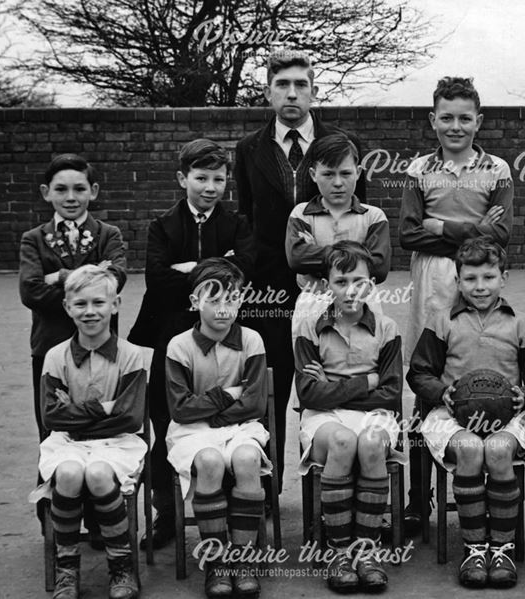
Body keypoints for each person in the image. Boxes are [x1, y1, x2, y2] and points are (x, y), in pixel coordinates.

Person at [235, 49, 366, 491]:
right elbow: (246, 218)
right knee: (270, 386)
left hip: (331, 288)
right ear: (268, 91)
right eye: (282, 85)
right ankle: (266, 491)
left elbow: (358, 212)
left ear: (313, 90)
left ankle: (331, 493)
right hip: (269, 289)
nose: (292, 94)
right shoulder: (249, 149)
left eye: (301, 85)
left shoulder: (341, 145)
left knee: (328, 380)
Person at [398, 76, 514, 529]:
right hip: (432, 280)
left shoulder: (498, 168)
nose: (455, 125)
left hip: (479, 276)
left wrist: (441, 227)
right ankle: (416, 496)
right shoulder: (419, 169)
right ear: (433, 120)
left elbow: (502, 236)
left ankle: (487, 471)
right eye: (446, 117)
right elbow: (407, 232)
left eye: (465, 118)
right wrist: (474, 226)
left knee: (477, 365)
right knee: (427, 376)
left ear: (478, 121)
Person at [128, 138, 255, 550]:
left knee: (231, 417)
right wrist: (218, 266)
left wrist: (192, 270)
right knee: (167, 417)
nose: (210, 187)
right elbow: (158, 281)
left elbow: (246, 270)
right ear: (183, 178)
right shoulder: (163, 226)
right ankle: (167, 512)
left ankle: (235, 501)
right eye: (201, 178)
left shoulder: (236, 224)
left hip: (223, 332)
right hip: (172, 334)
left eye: (218, 179)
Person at [407, 237, 525, 589]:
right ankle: (475, 548)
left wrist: (523, 396)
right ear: (458, 281)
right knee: (469, 449)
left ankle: (503, 548)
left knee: (496, 451)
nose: (480, 287)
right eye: (471, 279)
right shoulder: (441, 321)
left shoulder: (522, 324)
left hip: (506, 415)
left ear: (504, 277)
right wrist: (441, 392)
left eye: (489, 277)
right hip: (450, 413)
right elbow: (418, 373)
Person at [19, 153, 128, 534]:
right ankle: (55, 524)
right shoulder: (33, 239)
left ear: (93, 192)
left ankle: (103, 521)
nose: (71, 197)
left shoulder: (107, 235)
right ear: (46, 193)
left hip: (103, 349)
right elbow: (31, 291)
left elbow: (115, 279)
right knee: (54, 429)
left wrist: (60, 277)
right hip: (50, 348)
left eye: (79, 188)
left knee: (103, 426)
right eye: (61, 189)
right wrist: (86, 284)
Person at [29, 265, 146, 599]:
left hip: (117, 444)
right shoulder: (55, 357)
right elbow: (52, 417)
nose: (90, 311)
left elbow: (129, 417)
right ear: (67, 307)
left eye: (99, 302)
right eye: (80, 304)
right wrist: (103, 407)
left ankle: (120, 565)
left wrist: (78, 412)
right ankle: (67, 567)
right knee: (67, 473)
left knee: (96, 474)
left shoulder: (130, 355)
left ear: (116, 304)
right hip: (68, 443)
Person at [294, 241, 403, 593]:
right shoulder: (310, 326)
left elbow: (390, 392)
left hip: (375, 414)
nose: (350, 290)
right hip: (324, 417)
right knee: (342, 441)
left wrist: (337, 386)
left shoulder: (387, 328)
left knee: (370, 443)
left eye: (358, 281)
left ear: (371, 284)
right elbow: (309, 393)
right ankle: (340, 552)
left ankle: (367, 551)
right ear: (326, 285)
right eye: (340, 282)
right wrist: (365, 382)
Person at [164, 259, 271, 598]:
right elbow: (180, 409)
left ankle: (242, 559)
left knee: (247, 460)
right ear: (195, 302)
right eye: (213, 300)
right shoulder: (179, 346)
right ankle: (216, 562)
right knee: (209, 461)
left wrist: (210, 408)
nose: (223, 310)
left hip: (242, 426)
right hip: (191, 431)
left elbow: (255, 404)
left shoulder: (252, 340)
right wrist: (228, 394)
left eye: (231, 299)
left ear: (241, 300)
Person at [286, 133, 390, 334]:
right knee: (311, 360)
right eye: (328, 174)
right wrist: (359, 254)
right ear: (313, 174)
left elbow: (379, 267)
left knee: (365, 358)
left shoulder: (374, 216)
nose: (338, 182)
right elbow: (297, 258)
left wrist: (317, 252)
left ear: (358, 173)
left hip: (362, 302)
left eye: (345, 173)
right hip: (314, 301)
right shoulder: (301, 214)